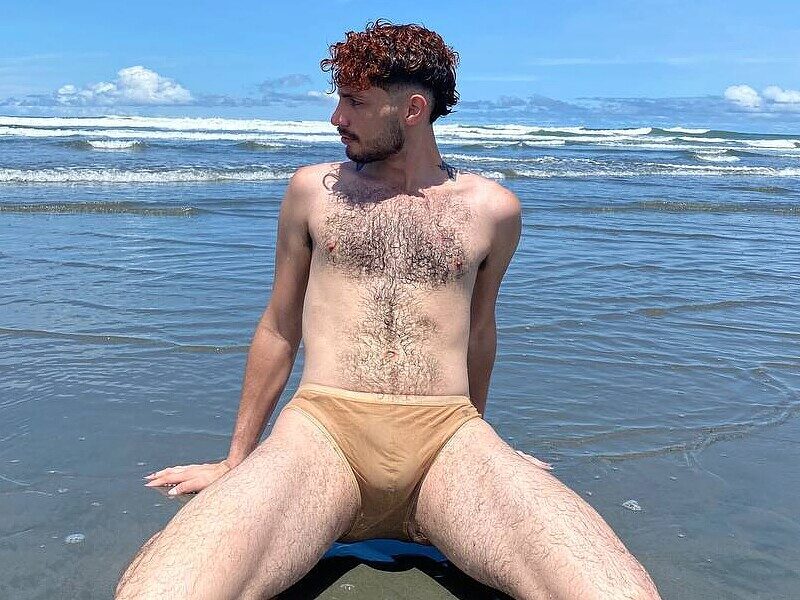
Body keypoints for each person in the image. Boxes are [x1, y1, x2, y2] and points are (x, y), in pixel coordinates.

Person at [116, 20, 661, 600]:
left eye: (356, 102)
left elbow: (479, 332)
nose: (337, 118)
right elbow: (279, 326)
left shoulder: (494, 210)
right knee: (165, 591)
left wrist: (482, 442)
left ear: (413, 109)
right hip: (321, 437)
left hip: (447, 440)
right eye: (339, 99)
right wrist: (235, 461)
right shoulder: (313, 191)